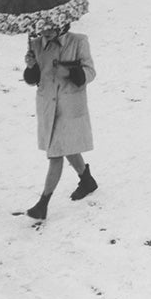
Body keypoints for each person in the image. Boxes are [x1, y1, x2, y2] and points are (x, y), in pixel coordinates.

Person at [21, 23, 98, 220]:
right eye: (42, 29)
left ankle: (43, 204)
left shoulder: (78, 41)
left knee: (55, 154)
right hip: (48, 107)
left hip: (70, 107)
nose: (45, 32)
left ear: (61, 25)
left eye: (50, 28)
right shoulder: (36, 44)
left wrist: (71, 72)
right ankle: (86, 180)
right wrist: (31, 67)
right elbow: (33, 80)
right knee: (65, 147)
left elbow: (90, 72)